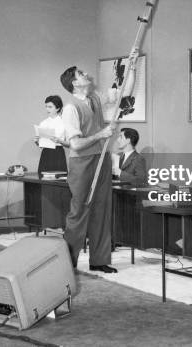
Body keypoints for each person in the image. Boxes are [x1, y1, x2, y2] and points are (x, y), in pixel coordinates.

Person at [60, 51, 138, 273]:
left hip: (101, 158)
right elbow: (75, 144)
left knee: (103, 207)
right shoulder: (70, 108)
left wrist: (131, 67)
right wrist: (101, 135)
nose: (86, 74)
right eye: (81, 74)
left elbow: (126, 91)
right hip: (82, 162)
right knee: (79, 211)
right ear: (75, 83)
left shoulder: (95, 97)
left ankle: (99, 260)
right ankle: (67, 264)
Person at [34, 95, 68, 175]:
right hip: (46, 153)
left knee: (59, 178)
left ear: (57, 108)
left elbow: (69, 144)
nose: (47, 109)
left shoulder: (64, 122)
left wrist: (59, 140)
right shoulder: (43, 123)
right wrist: (37, 141)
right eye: (46, 106)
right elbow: (41, 145)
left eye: (50, 107)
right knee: (43, 178)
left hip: (58, 153)